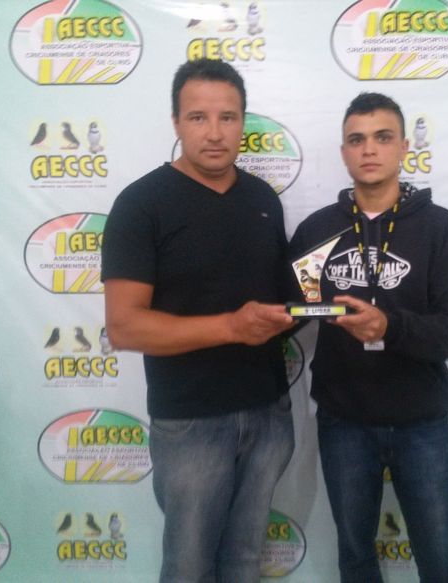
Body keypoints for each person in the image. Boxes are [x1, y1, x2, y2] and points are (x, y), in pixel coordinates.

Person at [101, 58, 295, 583]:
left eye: (227, 117)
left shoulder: (262, 199)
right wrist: (231, 327)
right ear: (176, 122)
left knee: (245, 562)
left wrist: (321, 303)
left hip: (268, 413)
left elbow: (277, 300)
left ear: (242, 122)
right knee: (188, 569)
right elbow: (124, 327)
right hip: (191, 423)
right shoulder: (141, 205)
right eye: (198, 117)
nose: (214, 133)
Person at [289, 93, 448, 582]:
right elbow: (291, 309)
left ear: (404, 148)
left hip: (422, 423)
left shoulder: (441, 229)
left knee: (438, 561)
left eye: (382, 137)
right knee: (355, 557)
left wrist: (389, 327)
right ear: (344, 152)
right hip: (344, 422)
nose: (369, 149)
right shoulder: (317, 230)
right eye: (356, 140)